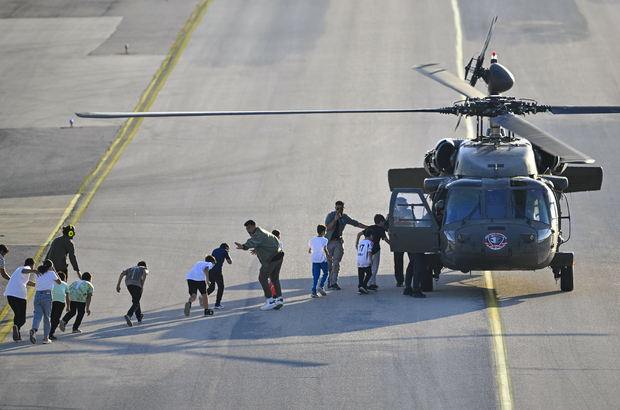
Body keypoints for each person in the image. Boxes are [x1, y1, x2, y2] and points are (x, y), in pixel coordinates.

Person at [235, 220, 284, 310]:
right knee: (274, 278)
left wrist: (244, 246)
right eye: (247, 229)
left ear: (254, 226)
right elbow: (265, 242)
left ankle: (270, 300)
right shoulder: (262, 231)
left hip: (271, 259)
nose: (248, 231)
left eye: (249, 228)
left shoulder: (257, 235)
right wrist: (257, 250)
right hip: (279, 256)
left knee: (262, 278)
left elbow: (253, 241)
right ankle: (280, 299)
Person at [325, 201, 368, 290]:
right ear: (335, 208)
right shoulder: (330, 216)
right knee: (329, 263)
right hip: (329, 242)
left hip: (338, 242)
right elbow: (327, 228)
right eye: (338, 209)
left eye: (341, 209)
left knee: (336, 262)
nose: (339, 210)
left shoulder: (344, 217)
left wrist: (368, 227)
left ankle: (334, 282)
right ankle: (329, 278)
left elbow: (355, 223)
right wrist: (335, 220)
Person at [2, 257, 38, 342]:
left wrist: (38, 285)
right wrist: (34, 271)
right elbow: (25, 270)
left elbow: (27, 282)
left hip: (10, 295)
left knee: (17, 315)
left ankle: (17, 335)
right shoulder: (26, 268)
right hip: (19, 296)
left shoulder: (18, 270)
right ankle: (17, 327)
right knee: (22, 319)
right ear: (32, 265)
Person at [30, 260, 61, 344]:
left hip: (37, 295)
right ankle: (46, 338)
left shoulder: (38, 273)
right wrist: (54, 270)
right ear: (51, 266)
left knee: (37, 315)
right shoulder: (51, 273)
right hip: (46, 295)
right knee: (47, 317)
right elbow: (59, 282)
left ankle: (34, 329)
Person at [356, 214, 390, 290]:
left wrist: (357, 244)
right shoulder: (381, 229)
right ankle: (369, 284)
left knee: (369, 267)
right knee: (374, 268)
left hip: (367, 251)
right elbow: (385, 239)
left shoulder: (370, 228)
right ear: (381, 221)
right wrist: (392, 244)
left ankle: (373, 283)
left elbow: (359, 234)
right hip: (376, 250)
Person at [116, 261, 149, 327]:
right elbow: (145, 273)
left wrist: (118, 285)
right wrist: (142, 286)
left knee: (136, 300)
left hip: (128, 284)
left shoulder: (131, 268)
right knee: (136, 302)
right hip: (137, 284)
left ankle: (139, 317)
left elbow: (122, 273)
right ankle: (129, 315)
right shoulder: (144, 268)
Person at [308, 224, 331, 298]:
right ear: (323, 232)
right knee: (325, 273)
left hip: (314, 259)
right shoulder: (324, 240)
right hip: (322, 259)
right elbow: (324, 249)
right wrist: (329, 257)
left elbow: (310, 250)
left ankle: (313, 291)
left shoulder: (312, 240)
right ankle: (321, 286)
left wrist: (314, 251)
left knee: (316, 276)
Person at [208, 244, 232, 310]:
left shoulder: (215, 250)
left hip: (210, 271)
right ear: (227, 248)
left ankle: (203, 296)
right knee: (221, 287)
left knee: (212, 287)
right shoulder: (225, 251)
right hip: (217, 272)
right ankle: (217, 304)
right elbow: (229, 262)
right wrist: (228, 255)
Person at [49, 271, 70, 340]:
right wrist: (68, 306)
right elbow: (67, 297)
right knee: (56, 317)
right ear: (64, 279)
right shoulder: (65, 284)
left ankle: (50, 331)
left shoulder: (52, 282)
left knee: (52, 316)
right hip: (60, 301)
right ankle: (51, 333)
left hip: (51, 300)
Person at [356, 230, 374, 294]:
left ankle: (360, 288)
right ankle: (364, 285)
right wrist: (371, 261)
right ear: (371, 236)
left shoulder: (361, 242)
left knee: (361, 274)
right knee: (369, 273)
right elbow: (369, 251)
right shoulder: (370, 242)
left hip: (359, 259)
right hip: (365, 259)